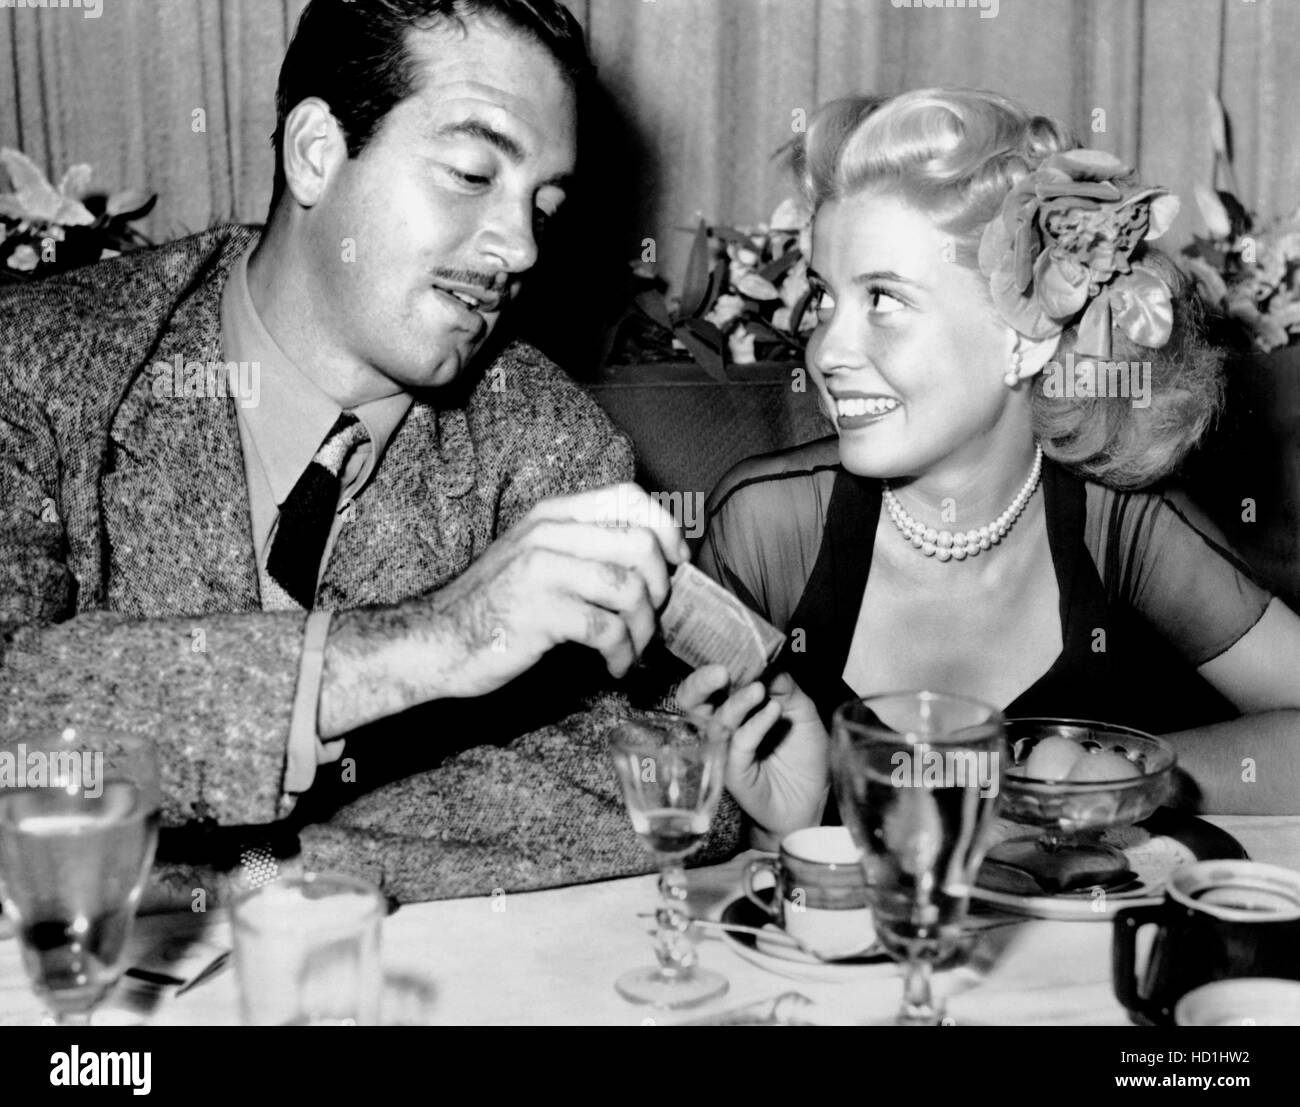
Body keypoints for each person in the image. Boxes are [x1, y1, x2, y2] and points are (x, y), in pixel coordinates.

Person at [0, 0, 781, 901]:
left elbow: (653, 779)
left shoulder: (550, 439)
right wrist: (437, 636)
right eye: (471, 173)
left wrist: (245, 857)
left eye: (545, 204)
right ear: (315, 153)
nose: (520, 246)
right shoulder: (37, 364)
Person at [677, 87, 1300, 827]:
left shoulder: (1119, 516)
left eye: (882, 300)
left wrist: (1129, 780)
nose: (826, 349)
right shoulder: (767, 526)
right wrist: (772, 823)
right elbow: (664, 804)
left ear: (1026, 337)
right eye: (824, 297)